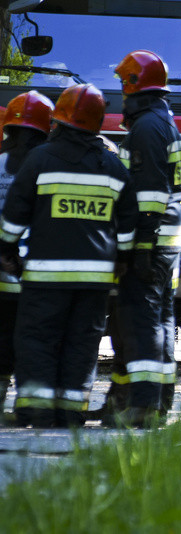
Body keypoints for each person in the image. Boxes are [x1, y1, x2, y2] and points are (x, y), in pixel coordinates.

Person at [0, 84, 137, 427]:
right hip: (94, 279)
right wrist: (122, 260)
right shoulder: (112, 165)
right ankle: (70, 412)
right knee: (81, 343)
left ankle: (36, 410)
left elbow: (15, 214)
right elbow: (128, 223)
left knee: (38, 339)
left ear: (57, 119)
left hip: (45, 277)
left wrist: (8, 251)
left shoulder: (39, 159)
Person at [101, 50, 181, 428]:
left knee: (142, 321)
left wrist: (142, 245)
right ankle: (157, 402)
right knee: (161, 320)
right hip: (166, 237)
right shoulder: (159, 121)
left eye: (123, 84)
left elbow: (150, 193)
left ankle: (144, 406)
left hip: (153, 239)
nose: (120, 91)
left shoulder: (148, 127)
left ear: (134, 85)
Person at [0, 90, 54, 416]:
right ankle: (30, 406)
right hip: (37, 276)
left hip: (2, 274)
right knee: (35, 343)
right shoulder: (48, 166)